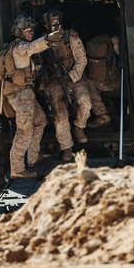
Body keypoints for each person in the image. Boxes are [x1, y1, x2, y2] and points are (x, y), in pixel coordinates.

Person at [0, 14, 62, 177]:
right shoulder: (19, 48)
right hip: (20, 94)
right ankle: (17, 169)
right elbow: (33, 47)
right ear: (19, 31)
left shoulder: (21, 45)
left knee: (40, 121)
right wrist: (47, 38)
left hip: (26, 93)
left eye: (32, 29)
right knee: (24, 131)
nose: (30, 32)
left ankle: (32, 158)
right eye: (27, 29)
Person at [39, 9, 91, 160]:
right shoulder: (42, 41)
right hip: (54, 82)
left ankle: (79, 127)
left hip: (74, 78)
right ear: (46, 24)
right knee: (59, 115)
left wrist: (70, 77)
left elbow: (82, 61)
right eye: (51, 22)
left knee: (85, 102)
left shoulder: (71, 38)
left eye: (57, 21)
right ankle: (67, 148)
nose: (55, 25)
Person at [84, 33, 120, 128]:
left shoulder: (94, 39)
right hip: (117, 82)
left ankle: (102, 114)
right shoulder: (116, 41)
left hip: (103, 82)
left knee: (87, 86)